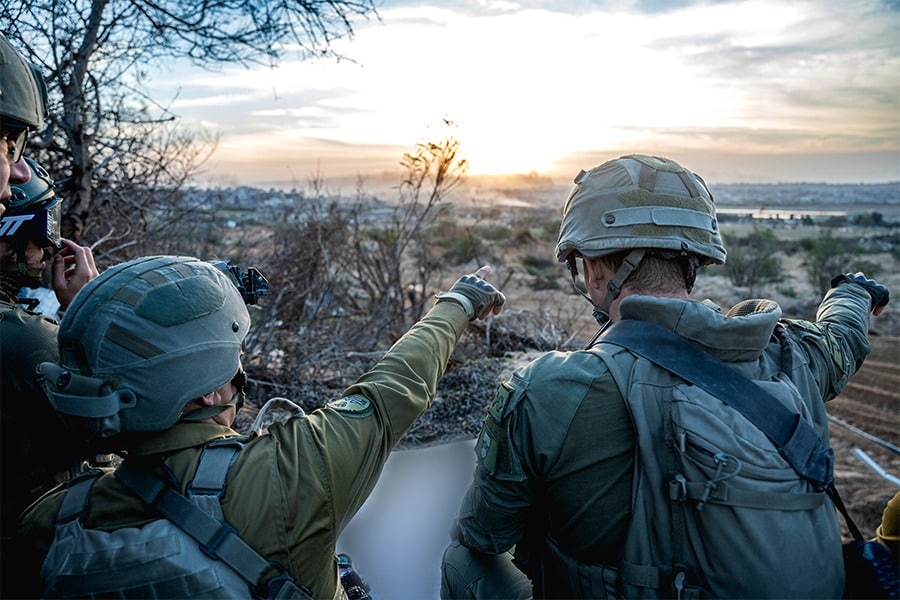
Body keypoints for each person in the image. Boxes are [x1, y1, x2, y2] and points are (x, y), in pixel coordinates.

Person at [441, 154, 889, 599]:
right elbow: (841, 339)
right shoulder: (791, 357)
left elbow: (484, 533)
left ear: (596, 270)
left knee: (463, 561)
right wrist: (852, 291)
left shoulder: (551, 389)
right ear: (694, 261)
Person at [16, 254, 506, 598]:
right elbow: (393, 388)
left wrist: (107, 334)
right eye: (232, 355)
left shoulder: (49, 523)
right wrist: (458, 301)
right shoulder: (291, 473)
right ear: (208, 391)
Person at [1, 33, 100, 599]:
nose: (14, 173)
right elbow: (119, 432)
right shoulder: (20, 342)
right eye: (5, 146)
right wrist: (87, 312)